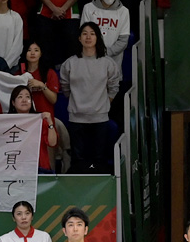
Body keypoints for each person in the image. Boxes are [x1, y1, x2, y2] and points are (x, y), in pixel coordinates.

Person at [60, 22, 119, 174]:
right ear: (79, 38)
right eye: (85, 33)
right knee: (78, 161)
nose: (88, 37)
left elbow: (113, 88)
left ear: (98, 38)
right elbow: (65, 87)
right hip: (76, 119)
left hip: (99, 119)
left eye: (92, 33)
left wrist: (103, 104)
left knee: (98, 160)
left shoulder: (107, 63)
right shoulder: (70, 63)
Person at [18, 40, 65, 171]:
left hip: (45, 126)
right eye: (29, 50)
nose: (32, 53)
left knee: (48, 168)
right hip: (25, 128)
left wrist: (42, 85)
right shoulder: (18, 75)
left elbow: (53, 99)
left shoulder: (49, 73)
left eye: (36, 50)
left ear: (41, 53)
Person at [8, 83, 57, 172]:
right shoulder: (6, 123)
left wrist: (50, 122)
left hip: (39, 168)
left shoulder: (40, 120)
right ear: (13, 103)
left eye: (27, 97)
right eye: (20, 97)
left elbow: (52, 143)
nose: (24, 100)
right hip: (15, 168)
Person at [31, 0, 77, 70]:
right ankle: (47, 80)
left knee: (71, 55)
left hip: (71, 14)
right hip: (45, 13)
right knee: (45, 55)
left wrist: (63, 9)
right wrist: (53, 8)